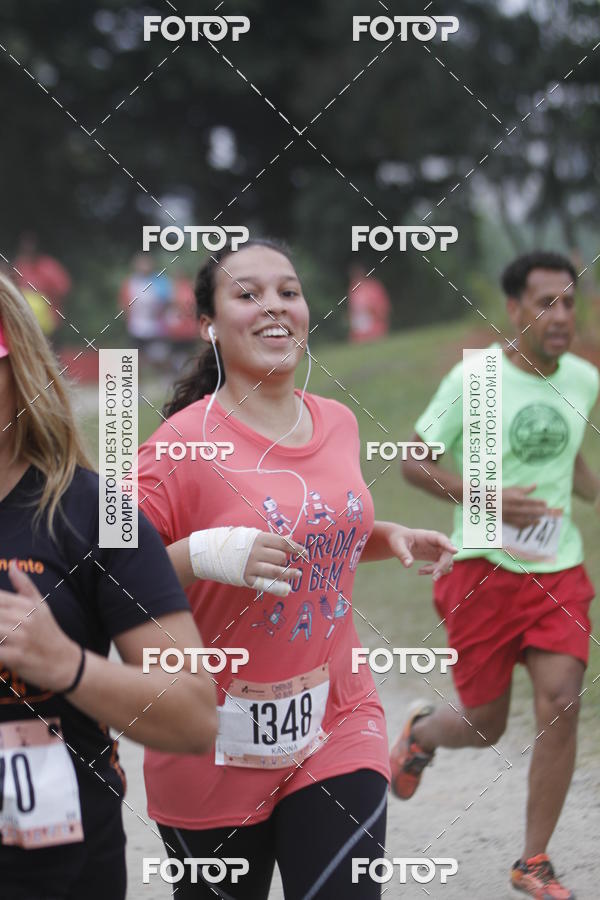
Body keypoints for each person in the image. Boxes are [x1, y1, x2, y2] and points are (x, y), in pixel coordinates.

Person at [137, 238, 456, 899]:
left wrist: (385, 533)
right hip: (210, 742)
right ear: (208, 324)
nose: (274, 307)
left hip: (338, 721)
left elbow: (310, 526)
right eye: (247, 294)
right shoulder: (175, 447)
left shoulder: (337, 422)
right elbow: (105, 580)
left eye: (288, 291)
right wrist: (203, 553)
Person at [0, 273, 217, 899]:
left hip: (61, 877)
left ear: (22, 372)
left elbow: (193, 714)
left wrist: (65, 665)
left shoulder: (94, 515)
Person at [390, 251, 599, 899]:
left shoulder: (584, 380)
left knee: (562, 700)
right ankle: (422, 732)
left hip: (557, 569)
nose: (560, 315)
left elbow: (569, 460)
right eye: (546, 303)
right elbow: (412, 463)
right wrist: (486, 496)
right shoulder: (475, 378)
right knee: (485, 723)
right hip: (483, 568)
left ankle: (532, 861)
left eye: (569, 302)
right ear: (513, 310)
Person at [119, 252, 173, 368]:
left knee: (159, 356)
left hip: (156, 327)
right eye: (141, 264)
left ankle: (166, 378)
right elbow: (123, 303)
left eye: (146, 264)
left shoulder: (160, 281)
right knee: (135, 358)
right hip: (135, 326)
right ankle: (136, 383)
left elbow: (167, 302)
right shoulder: (130, 282)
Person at [14, 232, 71, 338]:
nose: (28, 250)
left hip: (48, 321)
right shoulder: (19, 265)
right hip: (23, 322)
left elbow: (63, 290)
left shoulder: (49, 267)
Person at [348, 264, 391, 344]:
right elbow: (353, 311)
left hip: (376, 328)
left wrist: (372, 311)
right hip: (359, 332)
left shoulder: (374, 287)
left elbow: (383, 308)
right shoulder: (353, 290)